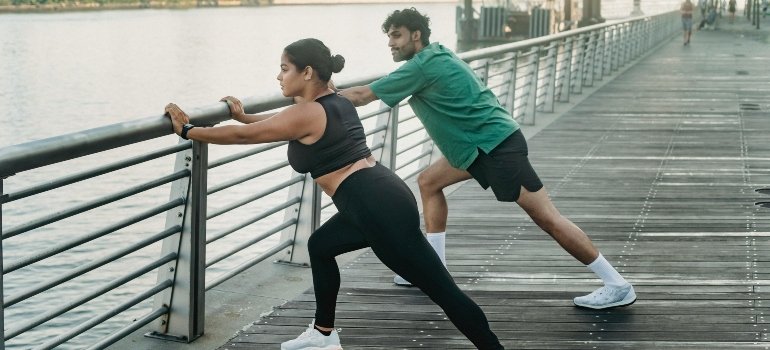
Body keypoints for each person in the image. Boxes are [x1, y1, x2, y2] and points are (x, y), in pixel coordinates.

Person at [164, 38, 504, 350]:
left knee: (444, 292)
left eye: (284, 69)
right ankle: (323, 334)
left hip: (374, 207)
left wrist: (189, 130)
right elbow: (279, 122)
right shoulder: (332, 100)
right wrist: (243, 116)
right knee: (321, 246)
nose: (278, 77)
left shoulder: (308, 111)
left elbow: (248, 137)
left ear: (307, 72)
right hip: (376, 196)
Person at [340, 7, 636, 310]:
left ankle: (616, 284)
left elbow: (362, 95)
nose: (391, 43)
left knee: (548, 218)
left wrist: (319, 95)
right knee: (429, 182)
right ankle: (433, 269)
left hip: (494, 148)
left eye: (396, 36)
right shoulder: (438, 54)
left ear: (416, 35)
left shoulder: (421, 66)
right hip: (478, 146)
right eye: (389, 37)